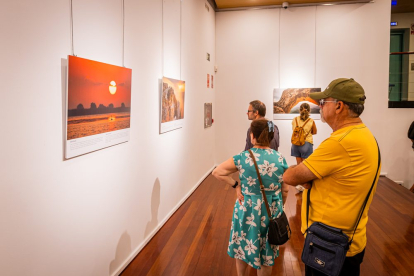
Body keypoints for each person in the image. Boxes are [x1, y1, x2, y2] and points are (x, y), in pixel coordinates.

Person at [282, 78, 381, 276]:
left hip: (329, 243)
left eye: (323, 102)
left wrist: (305, 175)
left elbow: (290, 177)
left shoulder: (340, 142)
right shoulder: (364, 134)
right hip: (349, 238)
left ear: (338, 106)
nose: (319, 107)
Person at [213, 118, 289, 276]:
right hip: (271, 210)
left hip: (247, 208)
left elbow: (217, 172)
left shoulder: (242, 158)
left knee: (242, 245)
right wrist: (280, 206)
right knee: (267, 251)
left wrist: (236, 185)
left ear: (252, 136)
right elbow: (285, 189)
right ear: (271, 137)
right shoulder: (280, 158)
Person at [291, 103, 317, 192]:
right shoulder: (311, 121)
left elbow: (294, 130)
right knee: (306, 166)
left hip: (295, 144)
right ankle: (306, 185)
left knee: (299, 165)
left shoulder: (295, 119)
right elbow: (314, 132)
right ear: (309, 111)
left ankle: (299, 185)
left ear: (299, 110)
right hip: (306, 144)